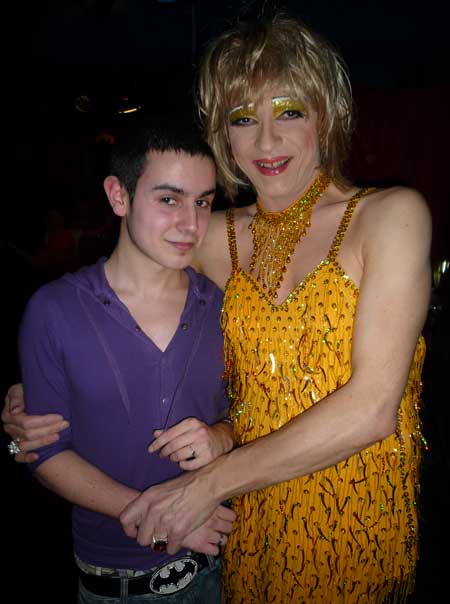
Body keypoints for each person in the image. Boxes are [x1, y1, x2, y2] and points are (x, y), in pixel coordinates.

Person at [3, 15, 431, 604]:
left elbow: (373, 408)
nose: (266, 142)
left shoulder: (389, 217)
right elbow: (115, 296)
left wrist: (203, 487)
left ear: (326, 114)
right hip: (245, 526)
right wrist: (38, 391)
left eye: (289, 111)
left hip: (352, 518)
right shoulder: (211, 235)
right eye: (243, 118)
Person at [3, 117, 236, 604]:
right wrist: (167, 519)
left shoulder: (224, 306)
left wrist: (224, 434)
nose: (191, 224)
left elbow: (249, 409)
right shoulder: (55, 310)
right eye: (169, 200)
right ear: (119, 196)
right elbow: (42, 452)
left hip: (221, 569)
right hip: (115, 584)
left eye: (203, 202)